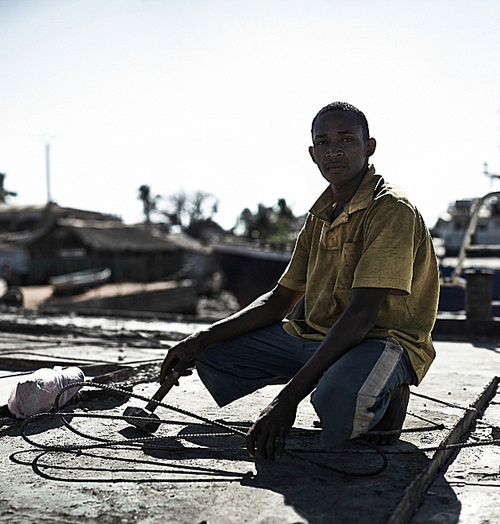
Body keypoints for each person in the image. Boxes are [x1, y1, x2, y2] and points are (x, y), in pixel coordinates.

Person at [160, 102, 439, 462]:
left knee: (336, 400)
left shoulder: (391, 209)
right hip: (318, 334)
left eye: (346, 140)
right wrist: (203, 336)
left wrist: (287, 398)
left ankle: (387, 389)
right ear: (312, 153)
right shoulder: (320, 216)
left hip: (382, 340)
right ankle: (336, 372)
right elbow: (280, 300)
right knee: (213, 350)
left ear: (369, 147)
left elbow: (362, 316)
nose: (333, 150)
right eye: (322, 142)